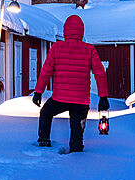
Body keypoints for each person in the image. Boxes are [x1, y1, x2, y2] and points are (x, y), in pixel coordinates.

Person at [32, 14, 109, 152]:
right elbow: (100, 74)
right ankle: (76, 149)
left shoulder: (57, 47)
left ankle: (44, 141)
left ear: (65, 30)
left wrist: (38, 92)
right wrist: (103, 97)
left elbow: (46, 71)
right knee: (77, 130)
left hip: (59, 99)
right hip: (81, 101)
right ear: (81, 31)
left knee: (46, 113)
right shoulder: (89, 49)